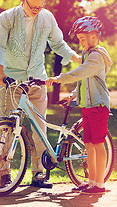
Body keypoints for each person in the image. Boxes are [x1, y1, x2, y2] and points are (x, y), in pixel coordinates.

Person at [0, 0, 81, 189]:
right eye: (33, 7)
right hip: (12, 80)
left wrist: (77, 58)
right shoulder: (7, 18)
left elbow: (58, 43)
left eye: (40, 7)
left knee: (39, 129)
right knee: (7, 127)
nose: (37, 11)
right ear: (23, 0)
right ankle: (4, 173)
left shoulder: (47, 17)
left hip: (37, 79)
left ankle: (38, 173)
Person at [46, 16, 112, 195]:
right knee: (89, 145)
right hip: (88, 106)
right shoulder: (86, 54)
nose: (80, 42)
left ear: (93, 35)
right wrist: (73, 96)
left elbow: (80, 72)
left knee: (98, 145)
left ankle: (99, 184)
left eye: (82, 39)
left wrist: (58, 78)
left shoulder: (97, 56)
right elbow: (83, 81)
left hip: (98, 106)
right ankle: (90, 182)